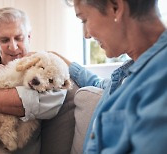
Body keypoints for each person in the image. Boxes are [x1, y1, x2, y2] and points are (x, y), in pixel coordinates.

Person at [54, 0, 167, 153]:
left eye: (85, 19)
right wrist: (58, 61)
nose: (85, 35)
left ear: (115, 7)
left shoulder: (159, 79)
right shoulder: (127, 75)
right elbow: (99, 84)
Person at [0, 7, 67, 154]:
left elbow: (28, 103)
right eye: (4, 40)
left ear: (29, 37)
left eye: (19, 38)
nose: (13, 46)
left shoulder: (49, 71)